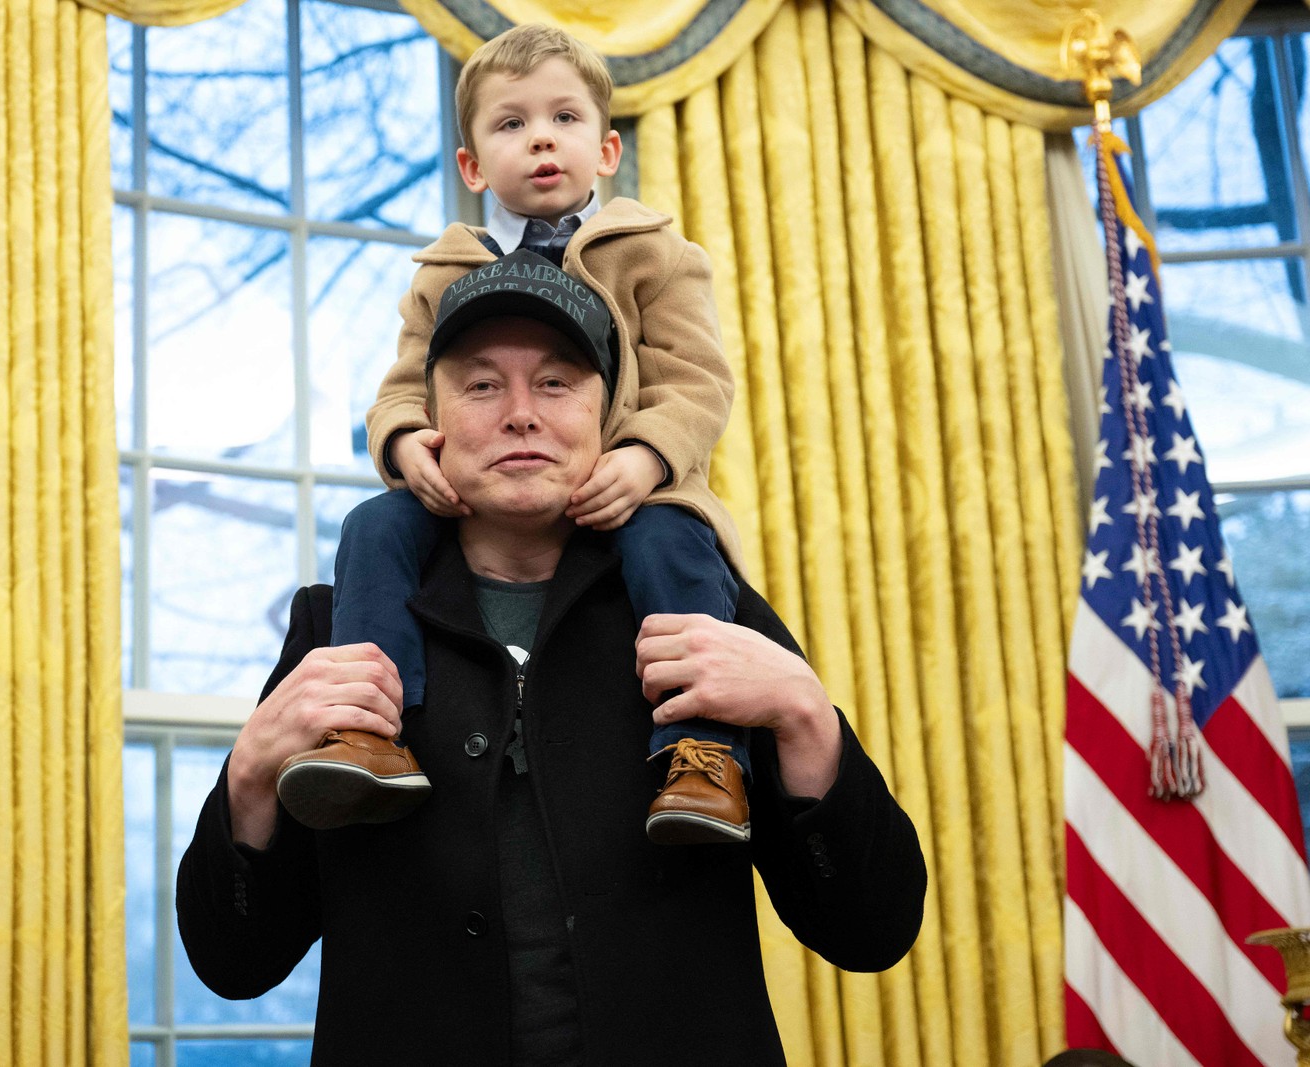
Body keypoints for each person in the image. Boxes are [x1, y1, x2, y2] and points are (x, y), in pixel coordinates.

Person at [175, 262, 926, 1065]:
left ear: (608, 418)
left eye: (557, 382)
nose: (521, 414)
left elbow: (871, 930)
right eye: (482, 386)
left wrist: (808, 718)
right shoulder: (337, 628)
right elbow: (235, 962)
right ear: (429, 420)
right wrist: (249, 775)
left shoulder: (711, 616)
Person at [277, 23, 753, 845]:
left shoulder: (656, 254)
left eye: (565, 118)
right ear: (471, 167)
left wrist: (645, 457)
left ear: (606, 150)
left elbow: (696, 379)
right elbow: (403, 387)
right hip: (484, 494)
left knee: (672, 544)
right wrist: (405, 443)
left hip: (633, 488)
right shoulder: (444, 273)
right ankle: (369, 729)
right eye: (511, 123)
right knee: (374, 526)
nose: (541, 138)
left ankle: (703, 751)